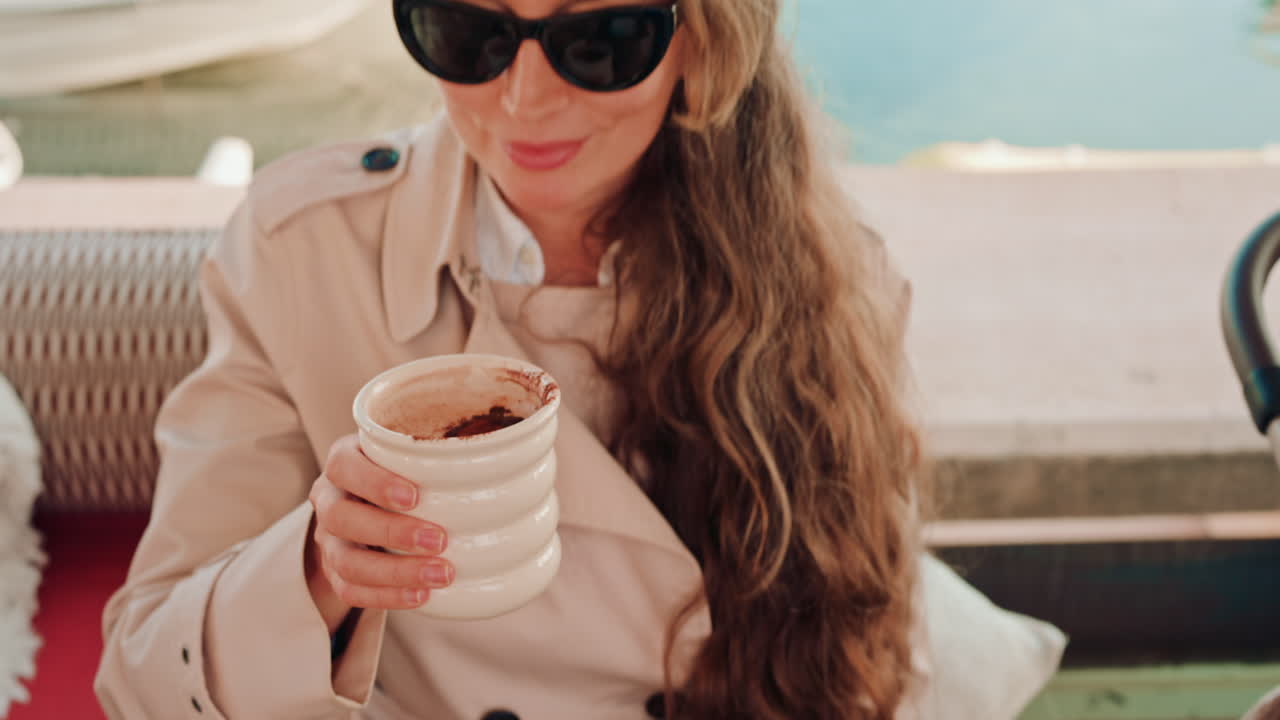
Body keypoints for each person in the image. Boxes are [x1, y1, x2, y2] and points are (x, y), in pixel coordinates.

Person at [94, 1, 1062, 718]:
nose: (521, 100)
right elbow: (143, 674)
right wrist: (315, 565)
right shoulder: (300, 251)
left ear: (701, 38)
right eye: (466, 34)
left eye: (597, 42)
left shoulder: (834, 277)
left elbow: (873, 646)